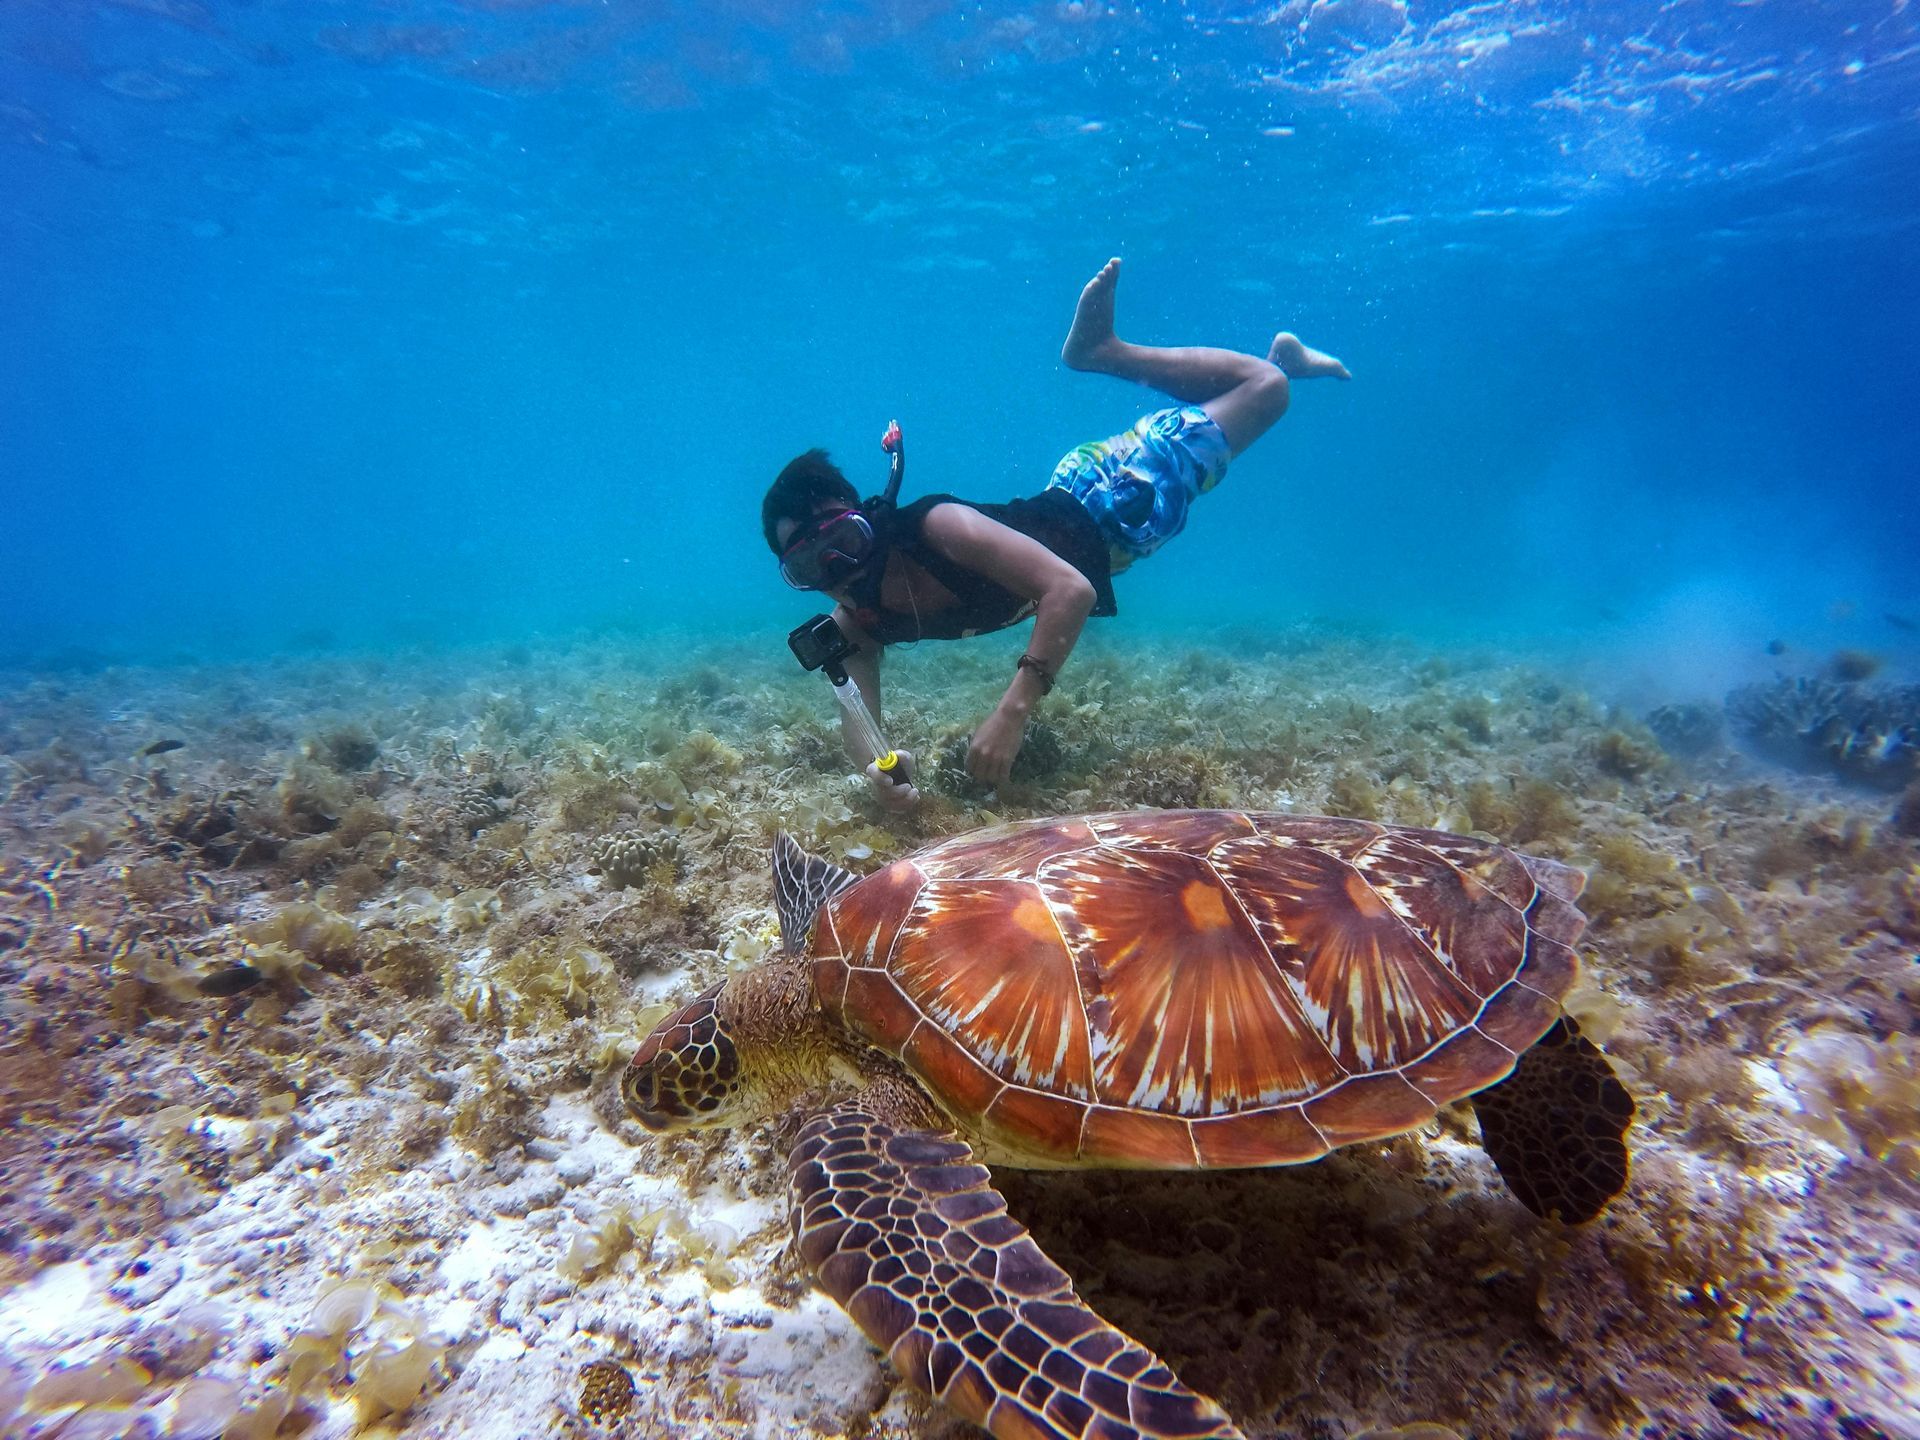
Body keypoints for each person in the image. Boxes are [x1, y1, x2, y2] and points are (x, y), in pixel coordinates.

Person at [763, 257, 1349, 812]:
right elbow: (860, 725)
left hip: (1114, 498)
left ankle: (1104, 351)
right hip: (1097, 519)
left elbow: (1070, 591)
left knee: (1267, 392)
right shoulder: (857, 624)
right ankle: (1282, 358)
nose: (841, 570)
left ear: (869, 518)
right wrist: (880, 775)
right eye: (812, 566)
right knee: (1246, 402)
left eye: (845, 541)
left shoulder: (936, 527)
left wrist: (1012, 713)